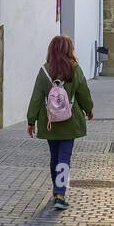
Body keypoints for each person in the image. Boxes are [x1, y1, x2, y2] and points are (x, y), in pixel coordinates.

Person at [26, 35, 94, 210]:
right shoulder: (75, 69)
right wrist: (88, 109)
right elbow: (83, 93)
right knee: (64, 158)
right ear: (68, 49)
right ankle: (60, 194)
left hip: (50, 122)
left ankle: (57, 190)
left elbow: (36, 97)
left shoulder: (44, 71)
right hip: (69, 122)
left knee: (54, 157)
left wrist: (31, 120)